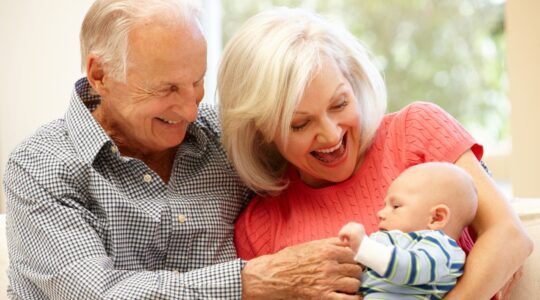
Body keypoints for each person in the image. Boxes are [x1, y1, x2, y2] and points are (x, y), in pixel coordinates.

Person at [3, 1, 363, 299]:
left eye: (197, 82)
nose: (191, 110)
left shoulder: (222, 136)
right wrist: (253, 281)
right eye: (167, 89)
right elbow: (99, 294)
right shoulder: (40, 168)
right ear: (100, 75)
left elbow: (325, 152)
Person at [218, 7, 533, 299]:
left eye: (340, 104)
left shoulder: (416, 132)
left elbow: (509, 237)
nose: (331, 134)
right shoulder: (260, 228)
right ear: (262, 132)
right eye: (300, 124)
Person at [338, 162, 478, 299]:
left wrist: (364, 247)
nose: (380, 213)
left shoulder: (442, 248)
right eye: (385, 205)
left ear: (436, 218)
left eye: (396, 206)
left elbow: (410, 268)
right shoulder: (394, 240)